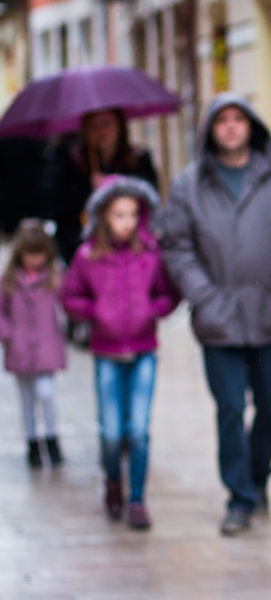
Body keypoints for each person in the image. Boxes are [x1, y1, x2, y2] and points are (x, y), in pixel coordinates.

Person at [161, 92, 271, 536]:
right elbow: (177, 246)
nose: (230, 126)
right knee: (229, 409)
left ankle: (258, 478)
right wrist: (204, 296)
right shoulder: (190, 183)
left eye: (238, 119)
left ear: (250, 127)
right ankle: (239, 497)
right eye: (221, 119)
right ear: (210, 129)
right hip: (218, 318)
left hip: (267, 313)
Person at [60, 175, 179, 529]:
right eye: (118, 214)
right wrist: (95, 312)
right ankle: (113, 480)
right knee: (112, 432)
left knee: (138, 430)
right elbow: (69, 296)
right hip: (107, 354)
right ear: (103, 217)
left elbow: (169, 293)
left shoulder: (150, 254)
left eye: (132, 214)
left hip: (143, 351)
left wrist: (152, 310)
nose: (126, 222)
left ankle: (137, 499)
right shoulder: (87, 257)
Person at [47, 109, 158, 265]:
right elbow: (59, 208)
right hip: (87, 253)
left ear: (119, 126)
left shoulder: (138, 160)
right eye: (93, 126)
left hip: (133, 252)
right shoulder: (71, 162)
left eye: (106, 124)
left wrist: (113, 185)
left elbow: (150, 203)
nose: (100, 131)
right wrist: (88, 191)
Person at [0, 219, 67, 468]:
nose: (34, 260)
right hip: (19, 348)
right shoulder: (9, 280)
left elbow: (67, 302)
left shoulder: (54, 277)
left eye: (39, 254)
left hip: (46, 346)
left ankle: (52, 436)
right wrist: (8, 334)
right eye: (30, 254)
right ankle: (32, 442)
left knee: (46, 393)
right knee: (26, 400)